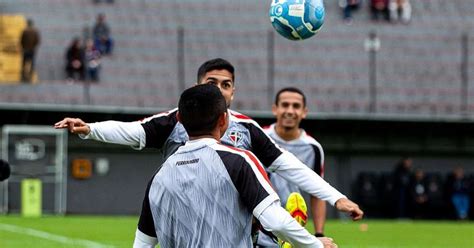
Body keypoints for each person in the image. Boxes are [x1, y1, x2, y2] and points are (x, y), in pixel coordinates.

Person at [54, 58, 363, 243]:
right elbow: (133, 131)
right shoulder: (176, 119)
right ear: (197, 85)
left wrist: (336, 197)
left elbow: (289, 166)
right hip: (185, 225)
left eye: (225, 84)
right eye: (211, 82)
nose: (218, 89)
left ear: (233, 91)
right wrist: (90, 129)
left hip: (236, 230)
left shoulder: (246, 129)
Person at [133, 84, 336, 248]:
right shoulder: (239, 161)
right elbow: (277, 222)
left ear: (179, 120)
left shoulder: (159, 177)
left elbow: (142, 244)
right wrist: (315, 244)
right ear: (224, 120)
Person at [257, 87, 328, 247]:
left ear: (304, 112)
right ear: (275, 109)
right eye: (285, 105)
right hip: (260, 221)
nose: (290, 111)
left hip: (293, 223)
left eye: (296, 106)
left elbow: (317, 193)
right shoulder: (259, 138)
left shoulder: (313, 148)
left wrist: (319, 234)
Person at [20, 19, 40, 83]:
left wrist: (23, 47)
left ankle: (23, 74)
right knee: (32, 62)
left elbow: (21, 40)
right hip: (32, 49)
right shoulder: (35, 32)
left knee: (24, 62)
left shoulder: (25, 31)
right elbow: (37, 40)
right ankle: (30, 74)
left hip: (25, 49)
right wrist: (34, 47)